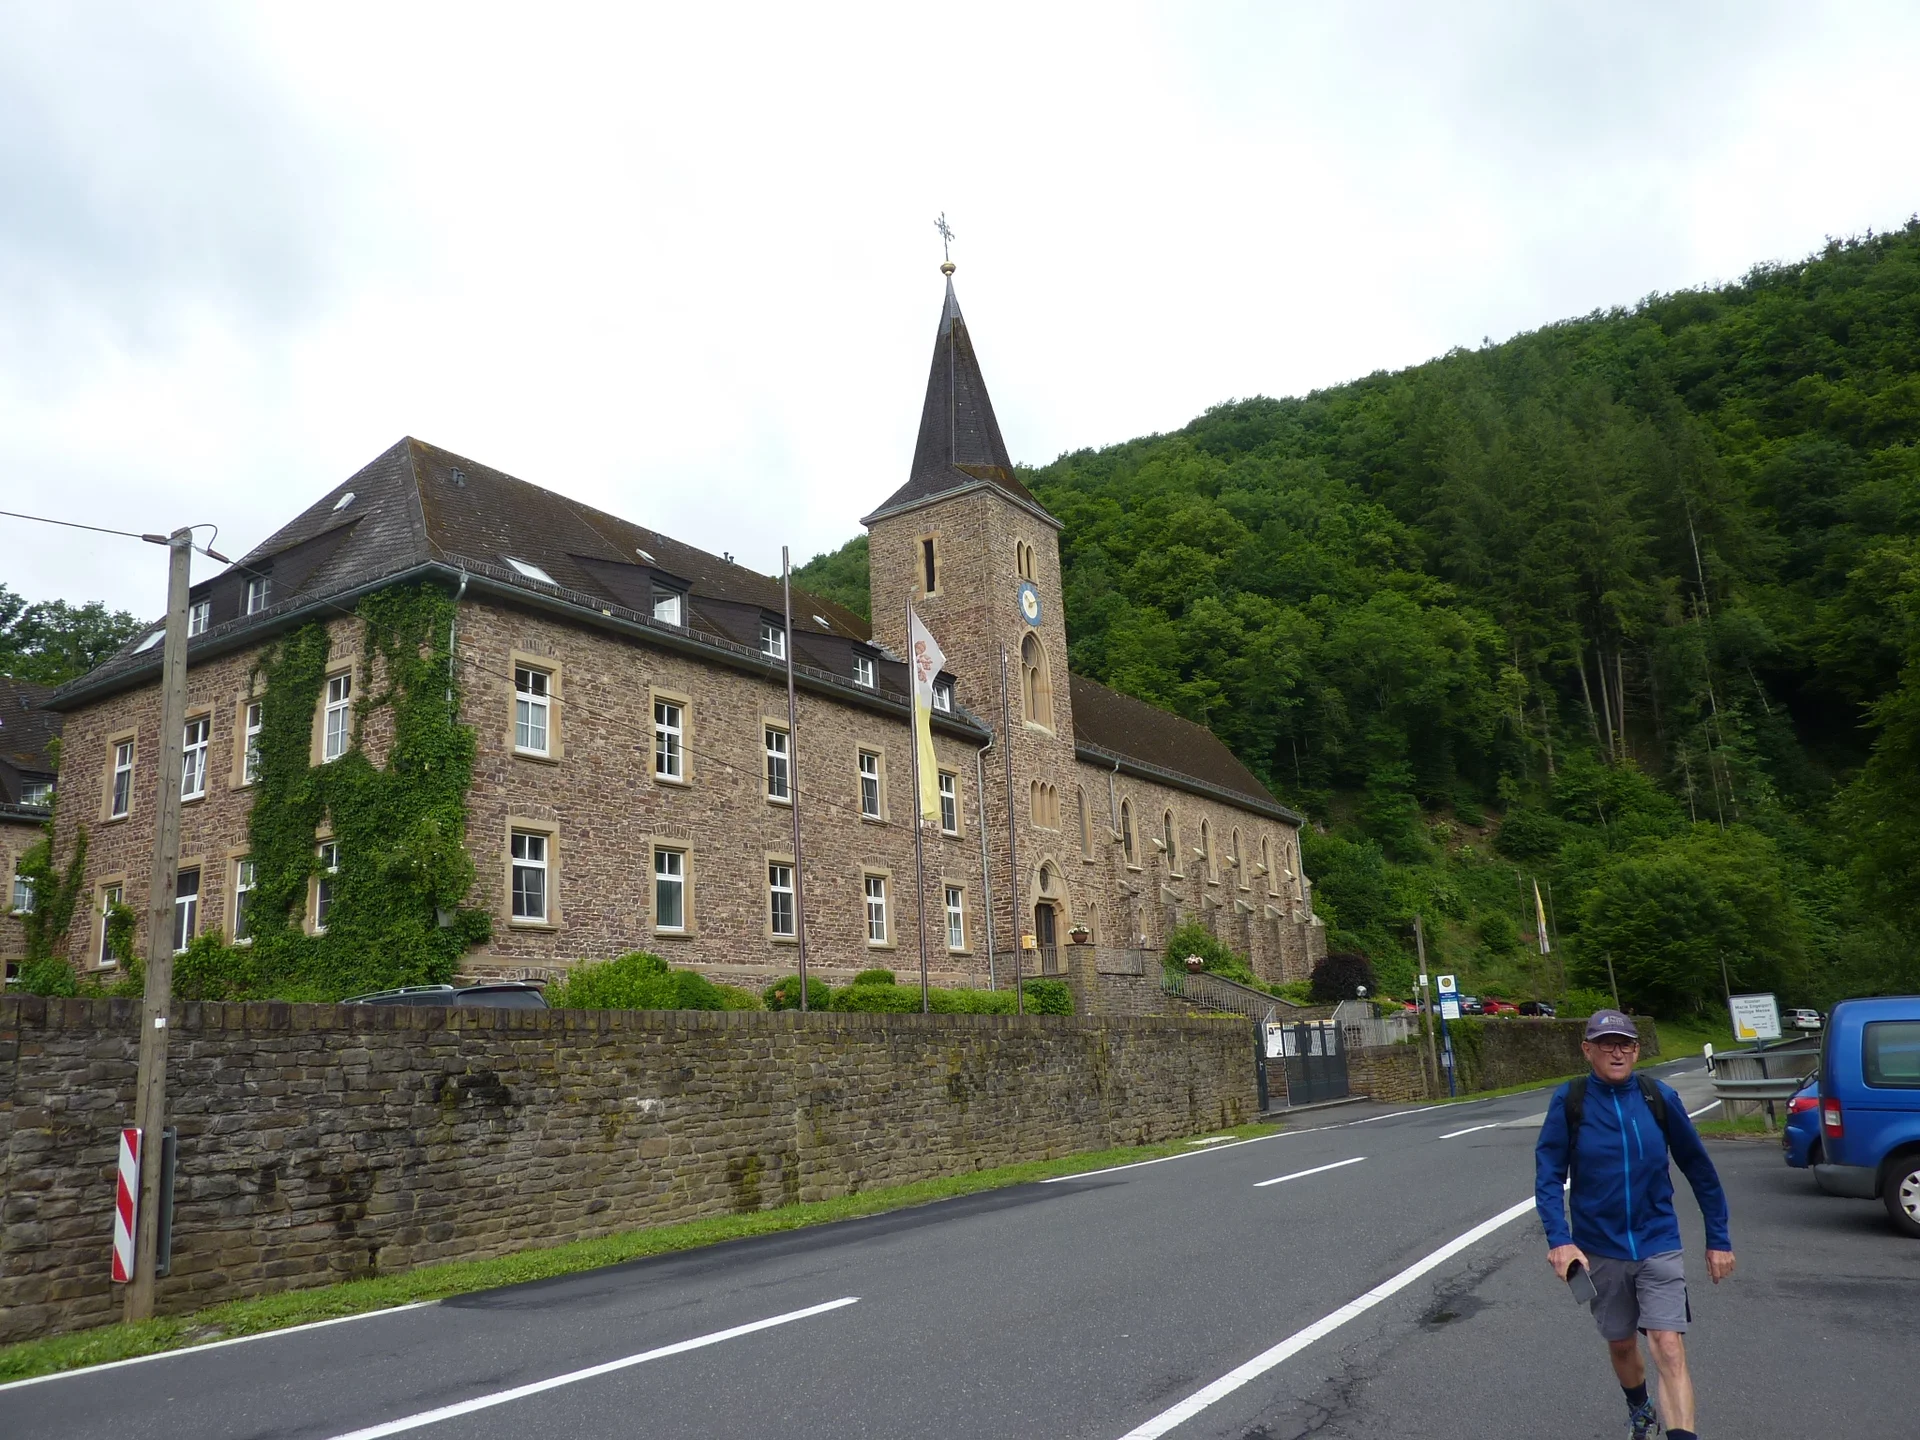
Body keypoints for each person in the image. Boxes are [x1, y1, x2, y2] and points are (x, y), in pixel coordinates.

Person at [1535, 1011, 1735, 1440]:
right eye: (1606, 1043)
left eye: (1625, 1043)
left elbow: (1699, 1169)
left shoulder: (1657, 1098)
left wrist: (1718, 1238)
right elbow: (1548, 1175)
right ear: (1587, 1050)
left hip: (1657, 1240)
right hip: (1599, 1247)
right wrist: (1560, 1239)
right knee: (1622, 1342)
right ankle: (1640, 1408)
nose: (1617, 1052)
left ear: (1637, 1050)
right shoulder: (1571, 1101)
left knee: (1668, 1345)